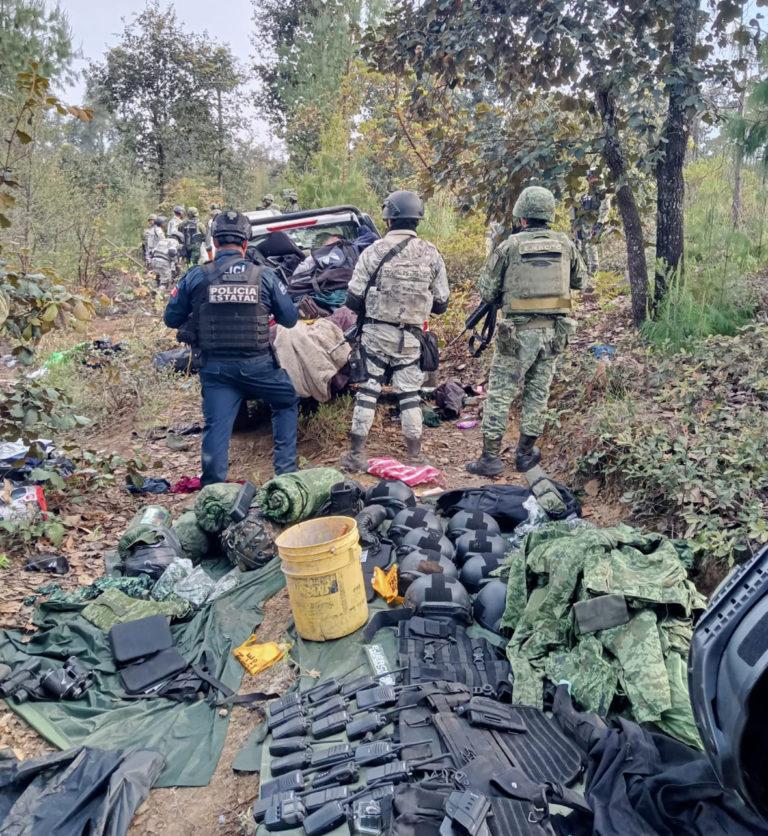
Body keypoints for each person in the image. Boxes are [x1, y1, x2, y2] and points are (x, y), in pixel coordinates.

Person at [163, 209, 300, 484]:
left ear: (214, 242)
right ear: (245, 244)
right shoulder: (265, 276)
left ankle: (213, 489)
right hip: (259, 367)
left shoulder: (197, 276)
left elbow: (171, 318)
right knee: (286, 401)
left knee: (216, 429)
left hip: (216, 371)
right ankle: (286, 477)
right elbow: (290, 318)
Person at [466, 186, 586, 476]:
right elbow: (580, 281)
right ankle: (525, 455)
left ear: (521, 217)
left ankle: (490, 459)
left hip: (517, 335)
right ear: (549, 215)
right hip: (554, 333)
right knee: (537, 392)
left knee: (500, 394)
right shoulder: (566, 244)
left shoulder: (510, 246)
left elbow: (486, 289)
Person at [340, 189, 449, 471]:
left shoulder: (372, 252)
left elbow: (352, 299)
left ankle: (355, 455)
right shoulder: (431, 254)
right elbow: (441, 304)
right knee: (410, 396)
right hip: (412, 338)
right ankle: (414, 456)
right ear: (418, 219)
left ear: (388, 219)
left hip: (376, 335)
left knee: (368, 392)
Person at [571, 169, 610, 277]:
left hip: (595, 224)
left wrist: (599, 223)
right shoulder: (586, 194)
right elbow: (579, 209)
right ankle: (584, 272)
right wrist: (575, 224)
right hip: (583, 226)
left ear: (599, 177)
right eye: (589, 178)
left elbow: (605, 209)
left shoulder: (602, 192)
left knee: (591, 245)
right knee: (581, 246)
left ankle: (593, 271)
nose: (590, 180)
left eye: (592, 177)